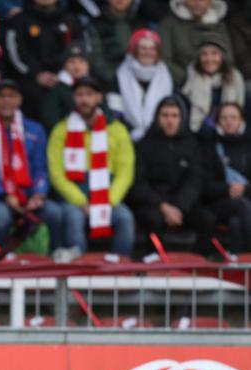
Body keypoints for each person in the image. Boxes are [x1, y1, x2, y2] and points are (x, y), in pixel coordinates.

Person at [48, 77, 136, 257]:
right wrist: (81, 201)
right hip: (73, 196)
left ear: (99, 97)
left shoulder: (117, 129)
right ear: (73, 98)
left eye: (89, 94)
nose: (84, 100)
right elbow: (56, 173)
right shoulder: (60, 130)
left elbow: (125, 171)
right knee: (74, 218)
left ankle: (121, 271)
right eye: (79, 95)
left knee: (125, 219)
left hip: (107, 194)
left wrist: (108, 201)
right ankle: (79, 274)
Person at [0, 80, 63, 253]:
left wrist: (38, 193)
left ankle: (54, 259)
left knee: (54, 213)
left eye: (11, 96)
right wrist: (4, 195)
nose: (6, 101)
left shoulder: (35, 130)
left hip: (29, 194)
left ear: (20, 100)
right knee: (0, 216)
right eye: (1, 96)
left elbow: (41, 168)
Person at [131, 96, 215, 255]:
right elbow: (139, 184)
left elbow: (195, 180)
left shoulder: (192, 143)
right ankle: (154, 266)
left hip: (182, 203)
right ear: (157, 118)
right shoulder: (144, 145)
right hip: (154, 204)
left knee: (207, 219)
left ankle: (199, 265)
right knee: (153, 220)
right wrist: (163, 206)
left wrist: (179, 206)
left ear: (182, 118)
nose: (170, 120)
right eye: (165, 115)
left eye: (175, 116)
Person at [4, 0, 85, 117]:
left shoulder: (71, 19)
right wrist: (37, 74)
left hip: (65, 75)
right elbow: (15, 53)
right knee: (30, 94)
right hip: (29, 78)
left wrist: (63, 73)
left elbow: (79, 49)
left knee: (80, 91)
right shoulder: (19, 20)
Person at [199, 103, 251, 252]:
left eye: (233, 117)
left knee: (235, 222)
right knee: (242, 205)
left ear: (241, 120)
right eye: (224, 118)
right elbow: (205, 184)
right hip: (219, 203)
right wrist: (228, 189)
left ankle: (239, 265)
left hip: (245, 202)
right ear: (218, 122)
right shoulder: (209, 146)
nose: (229, 121)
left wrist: (245, 189)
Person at [116, 29, 174, 141]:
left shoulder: (166, 75)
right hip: (126, 136)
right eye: (143, 48)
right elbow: (116, 110)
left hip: (159, 138)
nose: (148, 52)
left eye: (153, 49)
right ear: (134, 51)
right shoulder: (120, 75)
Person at [159, 0, 232, 86]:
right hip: (183, 83)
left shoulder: (220, 26)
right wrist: (188, 78)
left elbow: (228, 58)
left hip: (218, 82)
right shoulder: (169, 24)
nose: (198, 3)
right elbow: (164, 59)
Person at [182, 36, 245, 133]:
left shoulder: (235, 77)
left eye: (214, 53)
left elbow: (239, 107)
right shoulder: (191, 76)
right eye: (204, 54)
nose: (209, 59)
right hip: (199, 128)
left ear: (222, 57)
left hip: (228, 127)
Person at [86, 0, 146, 91]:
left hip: (139, 78)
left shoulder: (140, 23)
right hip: (109, 82)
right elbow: (96, 58)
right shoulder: (96, 24)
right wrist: (115, 79)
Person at [39, 42, 93, 132]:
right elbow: (50, 116)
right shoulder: (57, 87)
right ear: (64, 65)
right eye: (72, 61)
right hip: (66, 134)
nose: (77, 66)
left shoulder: (95, 86)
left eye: (81, 61)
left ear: (88, 66)